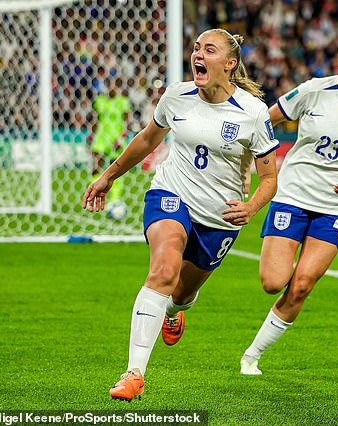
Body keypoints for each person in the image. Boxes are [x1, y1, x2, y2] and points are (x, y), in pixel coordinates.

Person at [82, 28, 279, 400]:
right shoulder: (177, 95)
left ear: (230, 63)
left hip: (219, 218)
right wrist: (108, 175)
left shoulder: (252, 113)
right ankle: (134, 373)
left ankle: (174, 311)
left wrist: (252, 206)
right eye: (196, 48)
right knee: (163, 269)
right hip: (171, 195)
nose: (198, 55)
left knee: (183, 292)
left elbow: (269, 177)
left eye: (209, 50)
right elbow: (147, 139)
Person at [239, 26, 338, 375]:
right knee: (273, 282)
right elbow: (266, 119)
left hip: (337, 207)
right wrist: (250, 159)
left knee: (303, 284)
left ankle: (252, 356)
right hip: (292, 195)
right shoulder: (313, 90)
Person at [89, 77, 131, 210]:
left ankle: (115, 198)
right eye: (109, 85)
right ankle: (94, 193)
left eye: (115, 85)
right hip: (101, 138)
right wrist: (91, 135)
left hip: (116, 139)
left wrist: (121, 138)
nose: (112, 88)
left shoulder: (122, 102)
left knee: (116, 170)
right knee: (96, 166)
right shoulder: (100, 101)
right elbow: (95, 120)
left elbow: (126, 122)